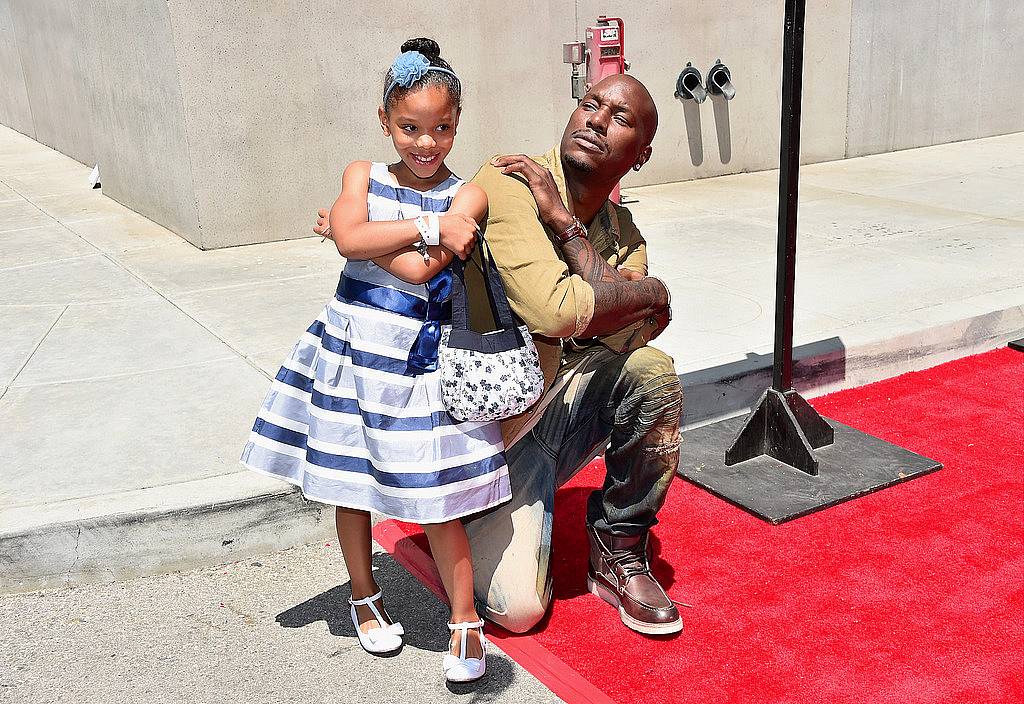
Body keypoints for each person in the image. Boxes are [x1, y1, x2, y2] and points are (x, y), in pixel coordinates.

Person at [316, 74, 683, 636]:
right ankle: (477, 513)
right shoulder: (510, 182)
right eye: (590, 104)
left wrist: (565, 226)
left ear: (642, 155)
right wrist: (644, 294)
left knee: (650, 376)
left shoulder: (620, 230)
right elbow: (557, 310)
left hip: (558, 403)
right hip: (497, 432)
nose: (596, 120)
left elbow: (632, 336)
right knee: (519, 611)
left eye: (620, 118)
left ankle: (618, 542)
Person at [243, 38, 507, 683]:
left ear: (458, 124)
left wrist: (352, 235)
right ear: (386, 123)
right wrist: (387, 230)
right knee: (350, 480)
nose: (427, 142)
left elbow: (416, 269)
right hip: (353, 352)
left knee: (437, 493)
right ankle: (364, 597)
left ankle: (465, 622)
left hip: (419, 363)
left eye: (442, 127)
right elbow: (361, 240)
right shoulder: (361, 173)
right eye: (411, 128)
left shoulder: (468, 194)